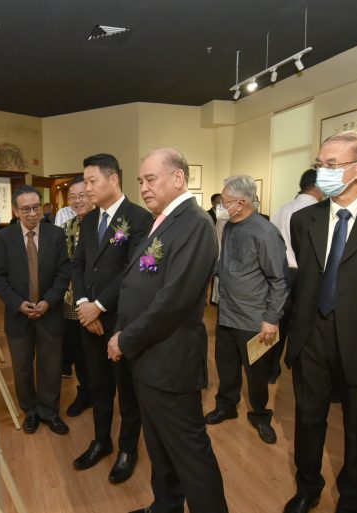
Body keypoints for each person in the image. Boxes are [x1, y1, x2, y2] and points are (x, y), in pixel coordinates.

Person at [109, 148, 229, 513]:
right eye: (140, 181)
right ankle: (165, 506)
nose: (143, 188)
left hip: (170, 361)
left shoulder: (195, 224)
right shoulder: (163, 220)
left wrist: (125, 339)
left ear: (178, 178)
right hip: (149, 358)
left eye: (151, 179)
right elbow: (142, 282)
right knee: (159, 446)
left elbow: (174, 301)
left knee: (190, 454)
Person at [284, 131, 357, 513]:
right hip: (311, 334)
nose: (322, 173)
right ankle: (307, 487)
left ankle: (354, 496)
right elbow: (307, 276)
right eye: (319, 165)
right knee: (308, 418)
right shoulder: (304, 219)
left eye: (332, 165)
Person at [72, 153, 152, 484]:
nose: (86, 188)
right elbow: (79, 263)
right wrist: (83, 304)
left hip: (120, 320)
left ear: (113, 179)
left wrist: (100, 305)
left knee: (126, 389)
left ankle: (128, 449)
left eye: (92, 181)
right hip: (89, 320)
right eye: (85, 181)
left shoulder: (139, 218)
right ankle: (101, 441)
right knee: (98, 385)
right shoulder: (89, 219)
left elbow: (134, 270)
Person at [205, 175, 288, 445]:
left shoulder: (265, 232)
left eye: (224, 201)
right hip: (227, 313)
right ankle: (226, 405)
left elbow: (279, 280)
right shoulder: (230, 226)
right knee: (226, 365)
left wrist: (271, 319)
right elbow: (226, 265)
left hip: (254, 319)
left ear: (241, 203)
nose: (220, 205)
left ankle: (260, 414)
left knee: (256, 373)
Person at [0, 185, 71, 435]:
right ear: (16, 211)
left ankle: (49, 412)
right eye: (26, 209)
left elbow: (63, 273)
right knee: (22, 367)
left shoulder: (56, 234)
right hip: (18, 316)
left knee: (50, 366)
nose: (33, 213)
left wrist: (48, 301)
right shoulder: (3, 238)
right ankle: (31, 412)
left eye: (36, 207)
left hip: (50, 312)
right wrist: (18, 303)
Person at [269, 169, 323, 383]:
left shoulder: (283, 208)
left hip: (279, 272)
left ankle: (271, 369)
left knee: (277, 322)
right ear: (318, 186)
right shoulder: (315, 212)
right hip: (303, 275)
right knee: (303, 324)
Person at [61, 176, 93, 417]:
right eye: (73, 197)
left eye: (82, 195)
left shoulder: (105, 225)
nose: (78, 200)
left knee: (99, 352)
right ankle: (85, 393)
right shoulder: (68, 226)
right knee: (78, 349)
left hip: (100, 301)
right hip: (72, 300)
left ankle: (102, 393)